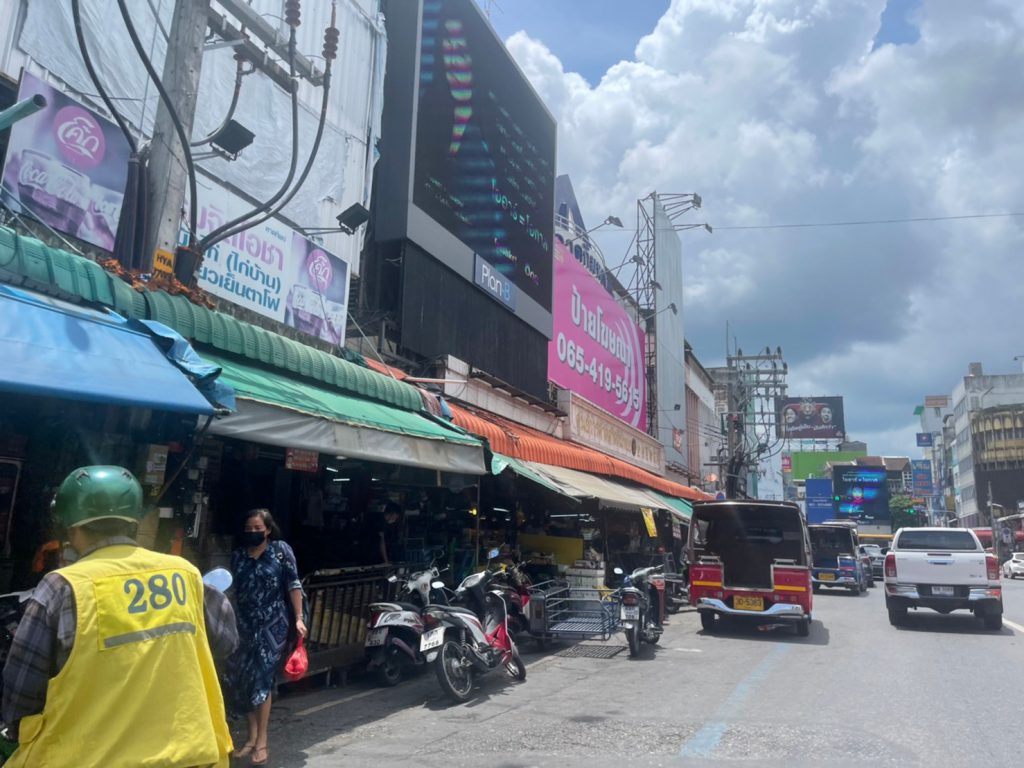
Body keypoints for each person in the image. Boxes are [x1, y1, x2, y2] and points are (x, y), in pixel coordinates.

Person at [1, 466, 234, 768]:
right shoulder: (185, 574)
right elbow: (225, 644)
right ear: (133, 520)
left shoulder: (62, 587)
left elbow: (21, 691)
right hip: (187, 753)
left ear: (69, 527)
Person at [228, 509, 306, 766]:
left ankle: (261, 741)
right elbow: (233, 590)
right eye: (248, 528)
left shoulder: (281, 551)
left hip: (274, 624)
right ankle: (250, 737)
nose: (252, 532)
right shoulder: (239, 555)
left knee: (262, 677)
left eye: (257, 528)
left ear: (268, 529)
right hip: (244, 624)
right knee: (244, 679)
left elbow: (293, 584)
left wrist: (298, 618)